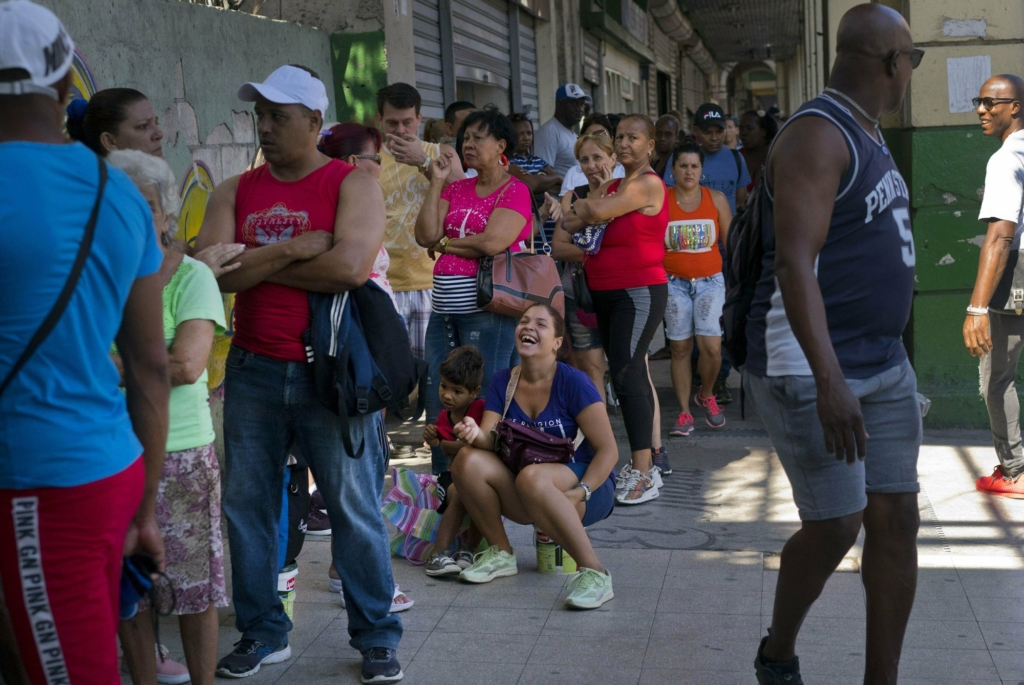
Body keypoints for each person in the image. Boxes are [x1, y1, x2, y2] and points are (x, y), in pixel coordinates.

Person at [195, 65, 404, 683]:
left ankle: (375, 636)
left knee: (353, 505)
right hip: (254, 367)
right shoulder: (233, 190)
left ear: (314, 122)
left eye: (277, 116)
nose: (264, 127)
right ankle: (262, 632)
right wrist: (289, 249)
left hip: (332, 372)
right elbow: (214, 277)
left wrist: (251, 263)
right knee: (247, 505)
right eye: (259, 115)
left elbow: (347, 269)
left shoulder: (352, 185)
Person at [743, 5, 923, 682]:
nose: (911, 72)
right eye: (913, 61)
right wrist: (829, 379)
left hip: (884, 362)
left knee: (896, 517)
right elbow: (794, 262)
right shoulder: (819, 135)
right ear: (890, 64)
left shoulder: (868, 133)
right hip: (812, 364)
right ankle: (778, 648)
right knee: (838, 521)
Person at [0, 4, 169, 684]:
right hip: (108, 467)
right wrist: (148, 508)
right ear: (67, 83)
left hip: (37, 482)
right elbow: (150, 369)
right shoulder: (120, 194)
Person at [109, 151, 228, 685]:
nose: (131, 214)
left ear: (166, 214)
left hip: (182, 454)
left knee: (192, 589)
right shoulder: (96, 273)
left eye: (146, 205)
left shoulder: (191, 276)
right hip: (112, 453)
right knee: (127, 593)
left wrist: (106, 364)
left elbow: (185, 364)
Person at [450, 305, 617, 609]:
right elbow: (489, 440)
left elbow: (609, 450)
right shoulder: (504, 381)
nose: (528, 327)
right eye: (524, 321)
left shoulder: (574, 382)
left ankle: (595, 572)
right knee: (466, 459)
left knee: (532, 476)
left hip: (587, 487)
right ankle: (501, 552)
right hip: (530, 489)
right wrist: (474, 433)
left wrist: (582, 491)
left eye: (541, 324)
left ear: (557, 342)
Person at [414, 110, 534, 475]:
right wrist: (435, 183)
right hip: (445, 311)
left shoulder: (515, 190)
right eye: (465, 137)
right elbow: (424, 235)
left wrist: (447, 244)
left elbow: (493, 242)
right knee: (439, 395)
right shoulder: (455, 188)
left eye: (478, 137)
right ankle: (444, 483)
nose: (468, 144)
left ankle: (483, 478)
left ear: (501, 145)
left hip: (490, 311)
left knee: (481, 398)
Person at [562, 114, 669, 505]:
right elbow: (569, 225)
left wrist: (586, 209)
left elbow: (584, 214)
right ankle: (640, 466)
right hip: (603, 291)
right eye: (620, 137)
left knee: (626, 373)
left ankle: (644, 471)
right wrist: (580, 211)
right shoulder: (614, 184)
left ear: (650, 145)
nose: (624, 144)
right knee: (623, 374)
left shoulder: (647, 184)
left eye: (633, 138)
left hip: (638, 291)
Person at [963, 74, 1024, 498]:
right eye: (978, 101)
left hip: (1017, 274)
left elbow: (1001, 235)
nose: (981, 110)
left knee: (995, 378)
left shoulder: (1005, 159)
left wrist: (977, 308)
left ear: (1015, 106)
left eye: (990, 102)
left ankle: (1017, 469)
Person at [376, 83, 464, 362]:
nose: (400, 130)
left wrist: (423, 161)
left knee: (436, 374)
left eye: (407, 122)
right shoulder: (368, 158)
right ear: (380, 120)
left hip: (435, 282)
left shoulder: (443, 154)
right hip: (386, 284)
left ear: (419, 119)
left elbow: (465, 199)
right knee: (392, 375)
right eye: (392, 123)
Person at [663, 142, 732, 437]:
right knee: (680, 348)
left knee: (712, 348)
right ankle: (684, 413)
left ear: (702, 170)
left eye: (694, 166)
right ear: (673, 170)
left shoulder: (715, 199)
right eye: (683, 165)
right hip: (673, 283)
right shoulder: (661, 201)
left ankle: (705, 394)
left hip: (711, 282)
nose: (689, 171)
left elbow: (732, 243)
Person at [553, 132, 615, 402]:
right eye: (584, 159)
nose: (591, 165)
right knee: (591, 370)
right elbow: (559, 247)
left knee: (632, 369)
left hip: (620, 293)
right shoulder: (573, 197)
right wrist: (597, 254)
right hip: (580, 295)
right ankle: (599, 436)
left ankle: (649, 442)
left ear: (613, 158)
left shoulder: (627, 194)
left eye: (598, 158)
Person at [423, 346, 486, 576]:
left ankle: (469, 550)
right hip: (451, 477)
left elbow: (470, 446)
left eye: (457, 391)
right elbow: (442, 447)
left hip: (478, 474)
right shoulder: (443, 416)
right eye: (443, 387)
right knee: (462, 493)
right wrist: (431, 438)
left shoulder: (480, 411)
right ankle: (438, 555)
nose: (447, 395)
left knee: (480, 494)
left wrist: (443, 444)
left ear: (474, 392)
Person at [320, 122, 395, 303]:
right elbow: (352, 272)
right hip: (358, 316)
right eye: (377, 158)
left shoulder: (323, 198)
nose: (380, 167)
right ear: (353, 161)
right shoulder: (361, 201)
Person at [692, 102, 751, 213]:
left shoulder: (736, 158)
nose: (714, 138)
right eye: (707, 132)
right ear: (696, 131)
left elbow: (740, 202)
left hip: (730, 229)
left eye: (719, 132)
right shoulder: (683, 160)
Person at [559, 112, 626, 195]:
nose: (591, 166)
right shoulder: (573, 174)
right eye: (584, 160)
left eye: (600, 136)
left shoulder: (625, 172)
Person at [534, 83, 590, 176]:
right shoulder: (549, 132)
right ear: (559, 103)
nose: (580, 109)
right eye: (574, 103)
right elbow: (541, 174)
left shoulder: (573, 135)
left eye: (582, 104)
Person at [508, 112, 563, 197]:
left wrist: (538, 183)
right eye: (520, 134)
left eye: (529, 133)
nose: (526, 137)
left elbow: (559, 188)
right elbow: (531, 185)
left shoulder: (538, 160)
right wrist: (557, 178)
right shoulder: (509, 161)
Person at [738, 109, 779, 190]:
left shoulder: (775, 157)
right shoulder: (736, 158)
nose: (744, 133)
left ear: (763, 132)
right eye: (741, 129)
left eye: (749, 128)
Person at [652, 113, 681, 185]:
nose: (662, 138)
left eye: (668, 134)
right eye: (659, 133)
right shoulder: (652, 162)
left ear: (676, 137)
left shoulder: (680, 163)